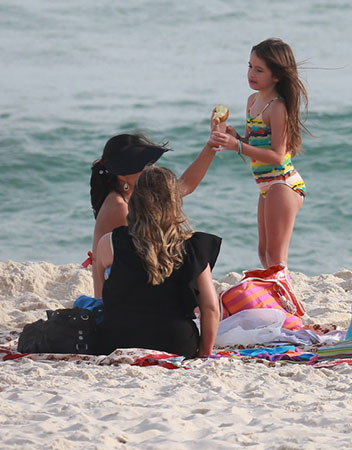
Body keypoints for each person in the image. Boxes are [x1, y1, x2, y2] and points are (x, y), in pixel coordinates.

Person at [92, 165, 221, 358]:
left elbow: (101, 300)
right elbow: (211, 308)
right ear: (174, 201)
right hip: (176, 342)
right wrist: (205, 352)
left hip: (118, 341)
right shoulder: (193, 247)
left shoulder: (110, 243)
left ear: (136, 199)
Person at [209, 38, 309, 269]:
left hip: (283, 183)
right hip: (266, 185)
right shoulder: (252, 101)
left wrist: (237, 146)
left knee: (276, 257)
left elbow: (276, 155)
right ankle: (277, 298)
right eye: (250, 66)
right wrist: (234, 137)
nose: (251, 74)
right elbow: (254, 144)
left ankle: (285, 302)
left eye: (259, 70)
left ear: (276, 76)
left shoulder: (277, 107)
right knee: (263, 253)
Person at [88, 124, 219, 284]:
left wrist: (212, 145)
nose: (152, 169)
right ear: (123, 175)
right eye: (145, 166)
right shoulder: (119, 208)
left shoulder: (128, 197)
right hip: (116, 294)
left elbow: (185, 185)